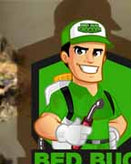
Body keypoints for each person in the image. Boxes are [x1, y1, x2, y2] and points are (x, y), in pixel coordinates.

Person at [33, 19, 126, 150]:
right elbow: (43, 123)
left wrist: (115, 131)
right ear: (66, 57)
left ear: (104, 58)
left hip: (104, 162)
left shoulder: (106, 97)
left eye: (97, 52)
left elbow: (119, 121)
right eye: (80, 51)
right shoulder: (64, 96)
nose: (90, 59)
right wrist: (64, 132)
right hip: (73, 160)